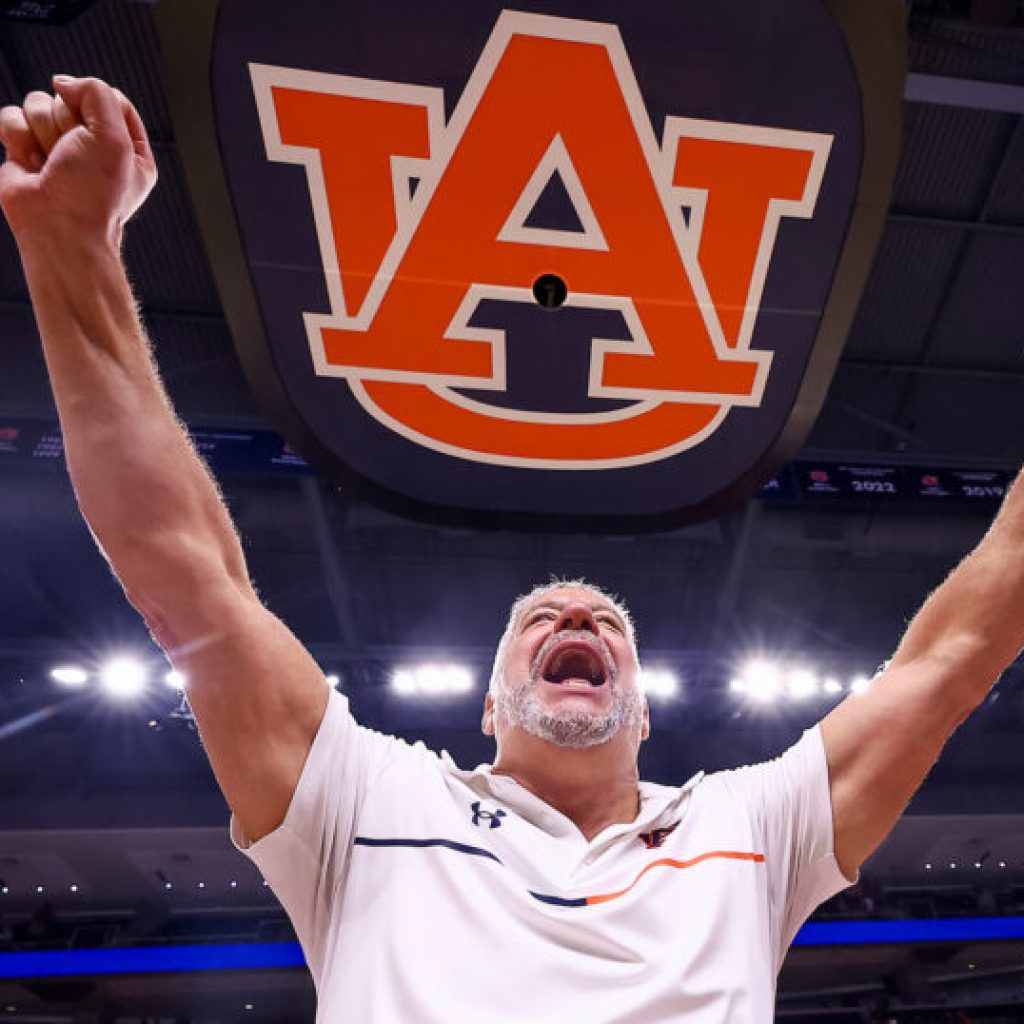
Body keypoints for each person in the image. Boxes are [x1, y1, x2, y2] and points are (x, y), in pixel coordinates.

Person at [0, 76, 1021, 1022]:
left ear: (647, 707)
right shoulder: (365, 798)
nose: (577, 617)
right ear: (488, 707)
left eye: (604, 622)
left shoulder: (754, 822)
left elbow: (952, 657)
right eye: (541, 618)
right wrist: (72, 249)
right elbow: (191, 580)